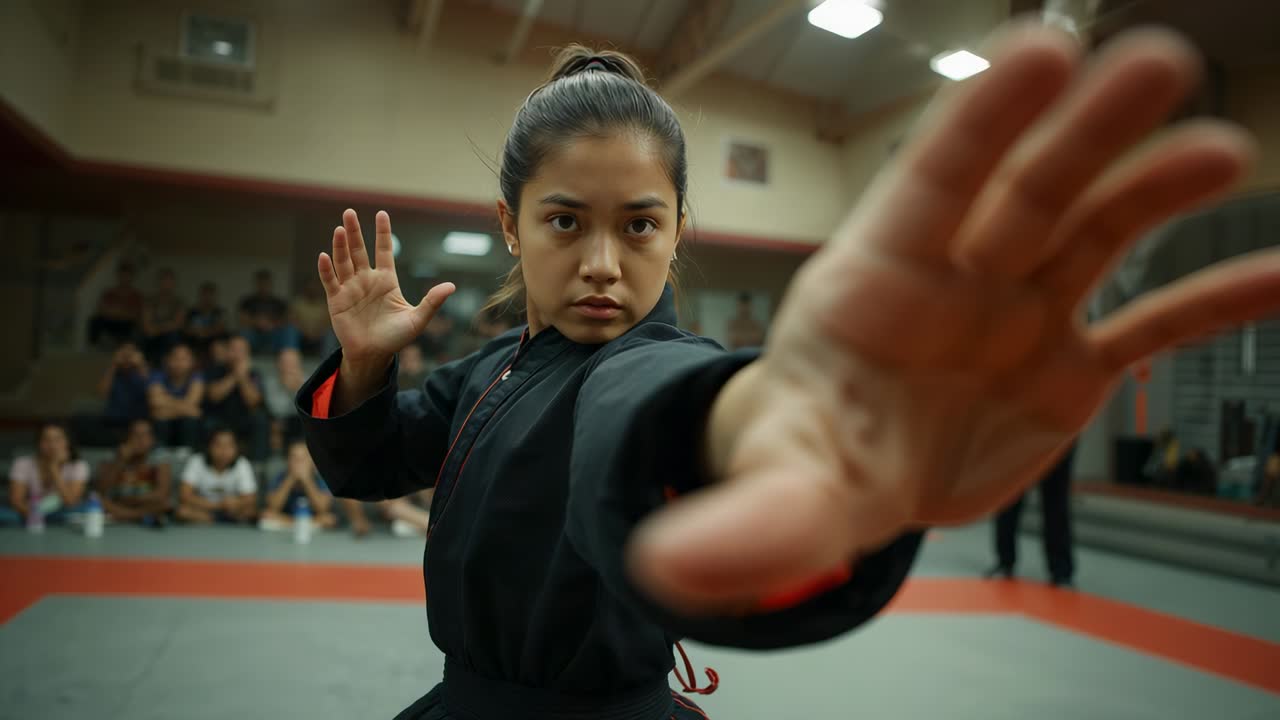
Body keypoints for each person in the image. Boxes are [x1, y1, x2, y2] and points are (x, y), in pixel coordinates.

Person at [300, 26, 1280, 720]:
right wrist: (364, 368)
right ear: (511, 226)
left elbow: (659, 419)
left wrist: (756, 424)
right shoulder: (486, 373)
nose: (602, 260)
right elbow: (366, 460)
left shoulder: (660, 372)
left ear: (679, 230)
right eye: (565, 221)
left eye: (638, 223)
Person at [988, 443, 1078, 587]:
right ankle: (1005, 561)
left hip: (1060, 434)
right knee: (1009, 495)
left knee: (1056, 501)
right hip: (1020, 435)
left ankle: (1061, 570)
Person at [3, 423, 90, 526]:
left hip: (61, 512)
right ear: (38, 443)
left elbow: (70, 501)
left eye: (58, 439)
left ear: (67, 442)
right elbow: (16, 500)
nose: (52, 445)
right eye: (46, 439)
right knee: (8, 516)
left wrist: (53, 468)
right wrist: (33, 515)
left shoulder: (78, 466)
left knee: (82, 512)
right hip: (27, 511)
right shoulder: (22, 463)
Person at [95, 418, 172, 528]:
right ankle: (140, 517)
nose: (140, 440)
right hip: (119, 504)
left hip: (140, 504)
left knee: (165, 504)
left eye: (145, 435)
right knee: (97, 500)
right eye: (136, 435)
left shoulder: (160, 459)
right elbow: (101, 490)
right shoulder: (113, 457)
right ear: (127, 437)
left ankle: (124, 516)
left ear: (152, 439)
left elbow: (162, 493)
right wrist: (120, 461)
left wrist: (132, 500)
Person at [203, 335, 269, 461]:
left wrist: (243, 378)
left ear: (247, 354)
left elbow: (253, 402)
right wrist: (235, 375)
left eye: (242, 350)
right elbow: (214, 396)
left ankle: (258, 464)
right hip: (219, 417)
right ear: (227, 351)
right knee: (206, 423)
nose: (237, 354)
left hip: (243, 418)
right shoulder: (215, 370)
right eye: (234, 349)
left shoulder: (254, 374)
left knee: (260, 420)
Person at [175, 428, 257, 524]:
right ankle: (215, 520)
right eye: (218, 445)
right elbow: (184, 495)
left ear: (237, 448)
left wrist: (236, 503)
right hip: (204, 509)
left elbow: (250, 499)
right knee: (182, 511)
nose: (224, 451)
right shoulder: (197, 461)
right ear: (209, 447)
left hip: (231, 511)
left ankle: (214, 520)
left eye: (229, 446)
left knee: (250, 512)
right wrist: (217, 506)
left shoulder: (242, 463)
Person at [258, 440, 338, 530]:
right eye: (294, 458)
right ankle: (300, 525)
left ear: (312, 461)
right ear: (287, 460)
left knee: (328, 519)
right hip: (301, 522)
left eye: (303, 458)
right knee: (266, 515)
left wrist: (307, 481)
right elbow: (272, 507)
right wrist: (290, 479)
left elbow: (323, 508)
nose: (299, 462)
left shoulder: (320, 478)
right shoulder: (280, 477)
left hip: (302, 523)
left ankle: (299, 526)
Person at [148, 343, 204, 449]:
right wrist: (186, 408)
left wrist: (165, 405)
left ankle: (188, 452)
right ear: (168, 360)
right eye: (176, 358)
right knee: (159, 420)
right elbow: (155, 401)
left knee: (191, 421)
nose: (179, 363)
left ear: (192, 361)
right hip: (164, 423)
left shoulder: (196, 377)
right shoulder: (157, 375)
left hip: (180, 421)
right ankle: (160, 453)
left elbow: (192, 403)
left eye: (184, 359)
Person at [238, 269, 298, 354]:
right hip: (255, 334)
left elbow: (287, 319)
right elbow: (242, 319)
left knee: (290, 330)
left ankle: (289, 357)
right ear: (257, 284)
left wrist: (272, 325)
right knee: (244, 333)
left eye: (266, 283)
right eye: (261, 283)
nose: (263, 286)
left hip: (275, 333)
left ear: (270, 284)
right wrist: (258, 323)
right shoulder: (248, 301)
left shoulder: (279, 302)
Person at [87, 263, 144, 349]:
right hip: (111, 321)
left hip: (127, 324)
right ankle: (94, 346)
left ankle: (124, 345)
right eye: (122, 276)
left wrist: (119, 312)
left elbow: (136, 314)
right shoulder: (109, 293)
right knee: (95, 321)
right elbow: (102, 309)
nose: (125, 279)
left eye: (127, 276)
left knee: (135, 328)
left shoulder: (136, 296)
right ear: (118, 276)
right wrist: (119, 312)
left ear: (131, 277)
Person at [262, 347, 307, 450]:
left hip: (301, 421)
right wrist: (288, 389)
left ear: (299, 364)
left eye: (292, 362)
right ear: (278, 364)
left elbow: (310, 409)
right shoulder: (270, 382)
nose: (288, 366)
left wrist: (298, 388)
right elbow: (275, 409)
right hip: (278, 421)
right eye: (285, 362)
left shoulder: (308, 380)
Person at [140, 267, 187, 362]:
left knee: (173, 336)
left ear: (174, 283)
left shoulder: (179, 302)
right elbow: (146, 323)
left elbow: (178, 324)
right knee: (142, 336)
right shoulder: (150, 300)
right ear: (159, 282)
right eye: (164, 280)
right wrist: (152, 329)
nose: (166, 284)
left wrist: (158, 329)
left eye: (169, 281)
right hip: (151, 335)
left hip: (168, 334)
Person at [184, 281, 227, 359]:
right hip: (194, 340)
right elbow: (187, 329)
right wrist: (199, 332)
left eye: (210, 295)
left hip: (212, 340)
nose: (207, 297)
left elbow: (220, 328)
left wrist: (204, 333)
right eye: (205, 294)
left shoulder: (219, 312)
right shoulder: (192, 312)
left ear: (214, 296)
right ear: (200, 295)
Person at [290, 277, 332, 356]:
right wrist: (306, 331)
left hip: (319, 334)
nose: (312, 289)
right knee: (291, 330)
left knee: (330, 334)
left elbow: (327, 322)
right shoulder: (298, 302)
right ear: (305, 288)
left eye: (314, 287)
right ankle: (293, 357)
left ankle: (327, 359)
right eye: (310, 287)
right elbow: (293, 320)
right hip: (302, 333)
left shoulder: (324, 304)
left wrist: (316, 332)